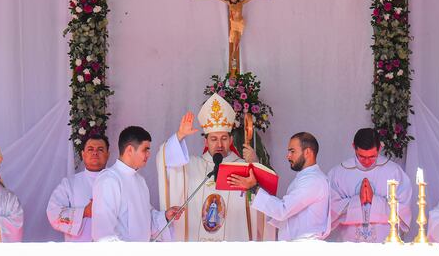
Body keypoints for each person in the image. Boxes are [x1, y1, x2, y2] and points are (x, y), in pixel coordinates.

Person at [157, 93, 266, 241]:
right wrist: (180, 135)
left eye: (224, 138)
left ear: (231, 140)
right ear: (206, 142)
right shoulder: (192, 165)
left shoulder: (243, 168)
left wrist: (255, 165)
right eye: (214, 139)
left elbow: (265, 202)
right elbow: (166, 160)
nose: (219, 144)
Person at [227, 132, 331, 240]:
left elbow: (282, 210)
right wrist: (255, 165)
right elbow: (285, 216)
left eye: (292, 151)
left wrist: (254, 188)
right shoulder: (307, 178)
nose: (288, 156)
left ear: (307, 152)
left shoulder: (312, 180)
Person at [92, 126, 182, 241]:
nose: (149, 154)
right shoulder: (109, 180)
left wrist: (165, 216)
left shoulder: (140, 180)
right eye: (145, 149)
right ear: (130, 150)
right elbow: (103, 232)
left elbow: (145, 220)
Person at [328, 128, 412, 242]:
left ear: (380, 148)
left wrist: (374, 201)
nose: (367, 161)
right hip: (348, 244)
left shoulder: (394, 172)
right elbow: (330, 212)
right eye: (362, 156)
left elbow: (404, 211)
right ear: (354, 147)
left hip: (384, 243)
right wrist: (358, 201)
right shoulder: (338, 173)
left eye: (372, 156)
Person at [47, 135, 110, 241]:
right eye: (90, 149)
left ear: (108, 154)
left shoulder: (119, 183)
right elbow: (53, 213)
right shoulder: (69, 184)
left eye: (100, 149)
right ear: (83, 154)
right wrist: (85, 212)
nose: (95, 153)